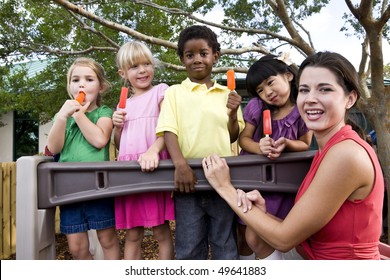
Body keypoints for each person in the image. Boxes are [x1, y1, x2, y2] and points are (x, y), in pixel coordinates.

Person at [202, 51, 384, 260]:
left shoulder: (346, 155)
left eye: (324, 89)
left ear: (350, 99)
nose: (310, 99)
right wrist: (261, 211)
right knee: (254, 237)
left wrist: (225, 187)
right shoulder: (331, 150)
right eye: (305, 90)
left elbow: (284, 239)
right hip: (310, 256)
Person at [156, 25, 245, 260]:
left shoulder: (228, 94)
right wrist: (180, 165)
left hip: (222, 180)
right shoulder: (174, 93)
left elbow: (234, 136)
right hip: (188, 181)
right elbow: (168, 130)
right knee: (189, 247)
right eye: (190, 54)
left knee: (225, 246)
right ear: (182, 59)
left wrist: (233, 113)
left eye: (203, 53)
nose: (197, 59)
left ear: (215, 56)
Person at [238, 54, 312, 260]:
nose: (267, 92)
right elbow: (244, 139)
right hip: (253, 180)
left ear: (288, 75)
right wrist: (258, 146)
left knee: (273, 231)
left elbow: (305, 143)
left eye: (270, 83)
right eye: (261, 90)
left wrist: (288, 144)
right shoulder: (256, 107)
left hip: (283, 184)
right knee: (246, 233)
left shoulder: (301, 109)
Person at [47, 57, 120, 260]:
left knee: (107, 239)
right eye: (75, 79)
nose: (81, 84)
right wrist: (62, 117)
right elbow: (54, 148)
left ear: (101, 87)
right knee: (77, 247)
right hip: (68, 188)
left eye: (89, 79)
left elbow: (99, 140)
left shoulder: (104, 113)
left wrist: (79, 115)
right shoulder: (61, 116)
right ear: (69, 86)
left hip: (98, 187)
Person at [113, 41, 175, 260]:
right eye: (134, 67)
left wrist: (153, 151)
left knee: (160, 230)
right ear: (123, 73)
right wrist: (117, 126)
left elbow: (168, 128)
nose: (142, 70)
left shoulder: (161, 91)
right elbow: (119, 143)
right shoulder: (124, 105)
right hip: (129, 171)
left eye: (146, 64)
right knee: (132, 234)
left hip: (154, 167)